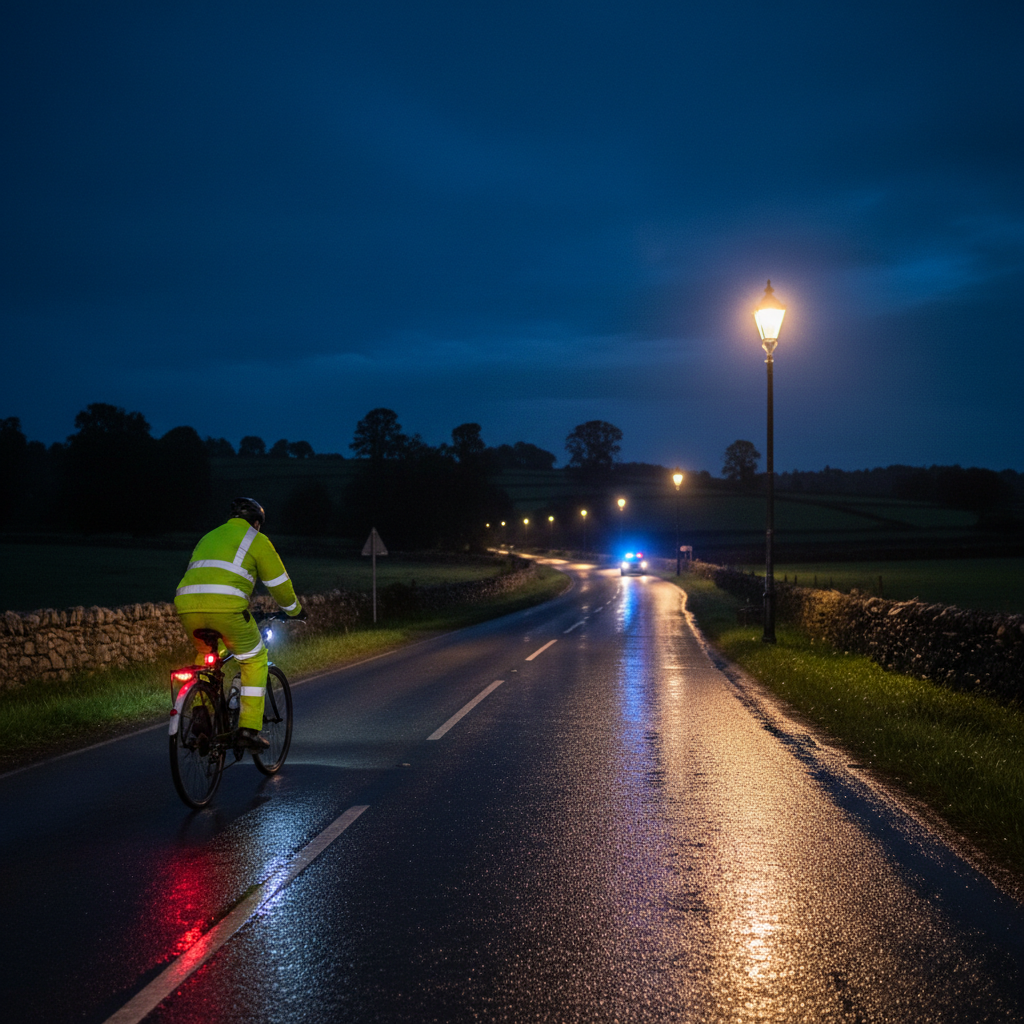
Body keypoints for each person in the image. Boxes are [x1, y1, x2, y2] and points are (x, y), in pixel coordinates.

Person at [174, 497, 304, 750]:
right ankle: (248, 729)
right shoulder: (256, 539)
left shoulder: (209, 536)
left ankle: (201, 712)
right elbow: (278, 583)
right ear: (256, 523)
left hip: (187, 605)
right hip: (228, 608)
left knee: (207, 655)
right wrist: (295, 611)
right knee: (254, 658)